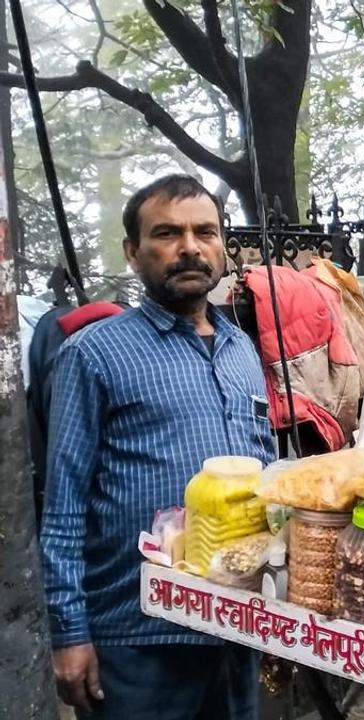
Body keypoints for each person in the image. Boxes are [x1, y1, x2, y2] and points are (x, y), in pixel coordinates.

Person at [41, 175, 276, 719]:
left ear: (222, 246)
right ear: (133, 252)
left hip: (235, 625)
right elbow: (63, 506)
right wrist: (69, 633)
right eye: (167, 233)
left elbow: (263, 471)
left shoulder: (242, 349)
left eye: (205, 232)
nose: (190, 247)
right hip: (138, 637)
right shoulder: (94, 354)